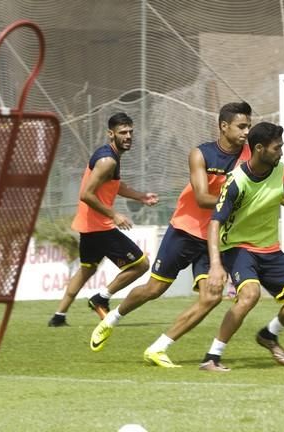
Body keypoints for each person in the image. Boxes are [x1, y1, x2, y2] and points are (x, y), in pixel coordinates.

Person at [89, 102, 253, 365]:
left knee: (211, 297)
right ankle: (113, 318)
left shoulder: (250, 156)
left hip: (215, 236)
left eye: (249, 127)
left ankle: (158, 348)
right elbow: (201, 198)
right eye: (241, 126)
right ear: (224, 126)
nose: (247, 132)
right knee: (154, 288)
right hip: (185, 230)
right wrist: (244, 201)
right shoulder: (201, 154)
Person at [199, 121, 284, 372]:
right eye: (277, 148)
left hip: (270, 250)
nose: (281, 152)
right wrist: (216, 265)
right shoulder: (236, 181)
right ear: (260, 149)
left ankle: (269, 334)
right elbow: (214, 223)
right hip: (237, 248)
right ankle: (212, 356)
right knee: (249, 295)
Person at [47, 112, 159, 327]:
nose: (128, 136)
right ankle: (101, 298)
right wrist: (114, 215)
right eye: (123, 132)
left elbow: (114, 185)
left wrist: (140, 196)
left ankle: (58, 316)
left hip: (89, 225)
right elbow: (86, 194)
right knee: (141, 265)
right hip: (100, 227)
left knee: (87, 269)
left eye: (130, 132)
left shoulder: (110, 157)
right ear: (111, 134)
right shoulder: (107, 160)